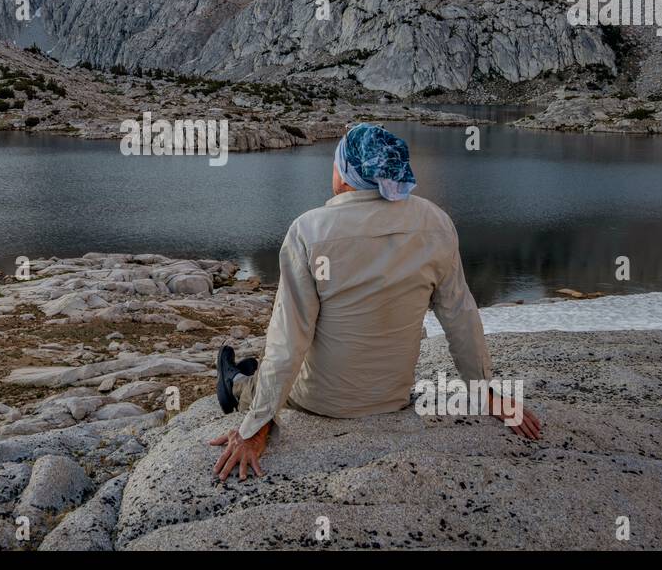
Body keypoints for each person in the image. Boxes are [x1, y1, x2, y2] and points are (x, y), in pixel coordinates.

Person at [210, 123, 542, 482]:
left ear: (347, 172)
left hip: (319, 403)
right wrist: (484, 391)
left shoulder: (309, 231)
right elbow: (461, 318)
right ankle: (239, 377)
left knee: (261, 375)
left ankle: (235, 386)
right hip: (389, 399)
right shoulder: (436, 224)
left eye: (335, 161)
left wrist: (254, 430)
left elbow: (289, 342)